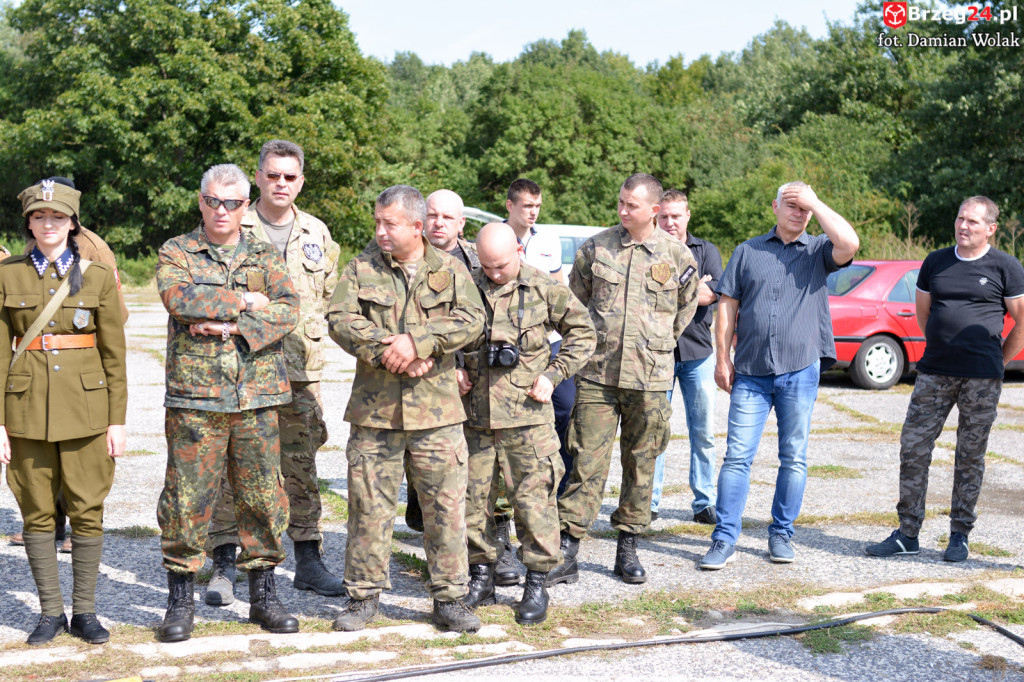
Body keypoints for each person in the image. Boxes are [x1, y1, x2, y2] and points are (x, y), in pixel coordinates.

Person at [326, 185, 485, 633]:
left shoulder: (452, 269)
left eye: (389, 223)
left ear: (417, 227)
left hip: (437, 414)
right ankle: (362, 597)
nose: (380, 231)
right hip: (376, 415)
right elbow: (339, 319)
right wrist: (390, 348)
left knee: (446, 509)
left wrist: (421, 341)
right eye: (376, 222)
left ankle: (451, 599)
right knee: (368, 507)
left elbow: (473, 320)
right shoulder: (360, 269)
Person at [155, 163, 300, 642]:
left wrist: (228, 325)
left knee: (263, 498)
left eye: (233, 203)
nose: (222, 211)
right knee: (187, 500)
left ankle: (264, 595)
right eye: (214, 201)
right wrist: (245, 301)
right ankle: (180, 601)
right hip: (197, 399)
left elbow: (288, 309)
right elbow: (179, 298)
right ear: (201, 201)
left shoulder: (263, 252)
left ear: (244, 206)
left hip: (257, 397)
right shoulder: (178, 250)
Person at [204, 140, 343, 606]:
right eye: (272, 175)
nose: (281, 183)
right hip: (242, 370)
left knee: (301, 465)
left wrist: (317, 375)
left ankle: (307, 557)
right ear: (258, 177)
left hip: (299, 370)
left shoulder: (316, 233)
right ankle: (224, 561)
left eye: (290, 176)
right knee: (231, 468)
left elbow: (324, 300)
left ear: (301, 180)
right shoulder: (230, 222)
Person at [548, 173, 699, 586]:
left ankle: (628, 545)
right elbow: (574, 303)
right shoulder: (596, 247)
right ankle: (569, 547)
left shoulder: (678, 256)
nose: (622, 210)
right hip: (597, 374)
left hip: (649, 379)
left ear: (653, 209)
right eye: (620, 202)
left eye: (631, 205)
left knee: (641, 463)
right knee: (584, 460)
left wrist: (657, 343)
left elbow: (684, 310)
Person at [700, 182, 859, 570]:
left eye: (803, 206)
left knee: (793, 458)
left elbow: (850, 244)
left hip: (800, 368)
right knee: (737, 458)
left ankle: (781, 533)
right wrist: (723, 359)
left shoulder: (819, 250)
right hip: (752, 371)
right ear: (774, 206)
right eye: (791, 204)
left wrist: (816, 202)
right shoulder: (747, 251)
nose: (798, 212)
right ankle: (724, 538)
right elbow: (727, 308)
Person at [0, 178, 127, 645]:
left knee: (87, 510)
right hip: (26, 409)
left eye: (57, 217)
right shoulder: (7, 275)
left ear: (73, 223)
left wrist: (117, 420)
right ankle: (50, 613)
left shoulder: (95, 277)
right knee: (35, 512)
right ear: (28, 223)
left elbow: (115, 354)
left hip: (87, 408)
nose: (48, 224)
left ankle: (86, 613)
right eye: (39, 216)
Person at [866, 196, 1024, 562]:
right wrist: (941, 342)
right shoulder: (936, 261)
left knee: (970, 457)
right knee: (913, 448)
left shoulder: (1006, 266)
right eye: (960, 218)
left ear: (991, 229)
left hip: (982, 379)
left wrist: (999, 361)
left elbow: (1021, 321)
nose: (963, 226)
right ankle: (908, 532)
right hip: (934, 372)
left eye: (972, 221)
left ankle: (959, 535)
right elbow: (924, 312)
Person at [460, 223, 595, 624]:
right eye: (486, 266)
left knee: (534, 505)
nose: (494, 274)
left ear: (519, 250)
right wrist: (452, 366)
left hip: (527, 419)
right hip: (476, 418)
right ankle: (480, 577)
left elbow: (584, 333)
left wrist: (553, 375)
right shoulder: (466, 285)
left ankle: (535, 585)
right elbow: (442, 334)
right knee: (472, 504)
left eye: (500, 265)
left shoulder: (543, 287)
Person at [398, 189, 483, 534]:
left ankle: (487, 531)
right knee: (420, 456)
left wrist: (467, 366)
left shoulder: (479, 261)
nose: (439, 223)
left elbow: (483, 320)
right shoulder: (404, 257)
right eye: (433, 215)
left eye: (448, 217)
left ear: (461, 224)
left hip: (475, 373)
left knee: (477, 455)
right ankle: (422, 507)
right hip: (423, 372)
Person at [649, 191, 723, 525]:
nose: (670, 223)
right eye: (664, 216)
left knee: (703, 432)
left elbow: (713, 294)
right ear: (655, 216)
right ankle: (647, 502)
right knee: (654, 431)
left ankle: (704, 502)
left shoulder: (706, 251)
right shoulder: (647, 249)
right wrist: (695, 287)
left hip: (697, 352)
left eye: (676, 216)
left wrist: (674, 287)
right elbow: (646, 296)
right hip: (655, 353)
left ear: (688, 216)